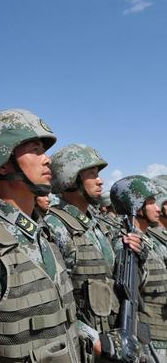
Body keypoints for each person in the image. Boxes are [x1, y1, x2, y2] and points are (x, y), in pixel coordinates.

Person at [0, 108, 86, 361]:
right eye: (36, 150)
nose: (47, 160)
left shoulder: (44, 234)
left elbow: (63, 317)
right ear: (3, 164)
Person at [44, 144, 145, 361]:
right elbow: (53, 301)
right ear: (71, 179)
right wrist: (92, 338)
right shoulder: (55, 227)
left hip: (113, 339)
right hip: (86, 348)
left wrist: (136, 252)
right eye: (92, 174)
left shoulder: (98, 225)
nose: (100, 180)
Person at [110, 175, 167, 361]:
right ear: (136, 205)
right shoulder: (127, 243)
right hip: (151, 343)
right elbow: (130, 291)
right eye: (151, 201)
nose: (157, 207)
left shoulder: (150, 239)